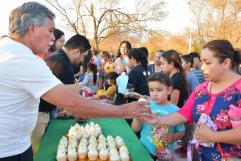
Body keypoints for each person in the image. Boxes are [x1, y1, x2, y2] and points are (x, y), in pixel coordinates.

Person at [0, 2, 149, 161]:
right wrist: (123, 111)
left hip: (17, 144)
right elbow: (73, 103)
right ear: (32, 28)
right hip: (9, 151)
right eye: (50, 31)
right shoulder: (21, 59)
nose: (52, 37)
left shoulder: (10, 50)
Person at [140, 40, 241, 161]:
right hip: (202, 156)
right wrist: (156, 120)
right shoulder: (201, 89)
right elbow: (183, 114)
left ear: (226, 63)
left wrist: (214, 136)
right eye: (202, 62)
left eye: (207, 63)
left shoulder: (238, 90)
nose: (202, 67)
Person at [132, 72, 185, 161]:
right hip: (144, 149)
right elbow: (135, 129)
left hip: (164, 155)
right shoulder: (145, 105)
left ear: (169, 90)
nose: (154, 94)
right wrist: (137, 118)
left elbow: (181, 132)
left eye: (159, 90)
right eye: (151, 90)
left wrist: (172, 137)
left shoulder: (175, 110)